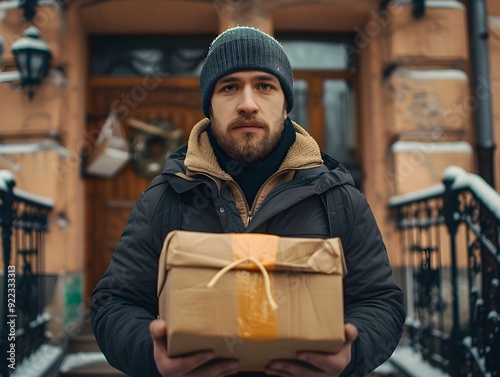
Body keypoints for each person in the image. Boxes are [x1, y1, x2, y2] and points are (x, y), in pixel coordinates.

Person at [91, 26, 405, 377]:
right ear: (209, 105)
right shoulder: (165, 197)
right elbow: (115, 304)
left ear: (285, 105)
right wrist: (151, 354)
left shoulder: (339, 198)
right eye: (229, 87)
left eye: (265, 86)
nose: (247, 104)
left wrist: (352, 351)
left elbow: (379, 302)